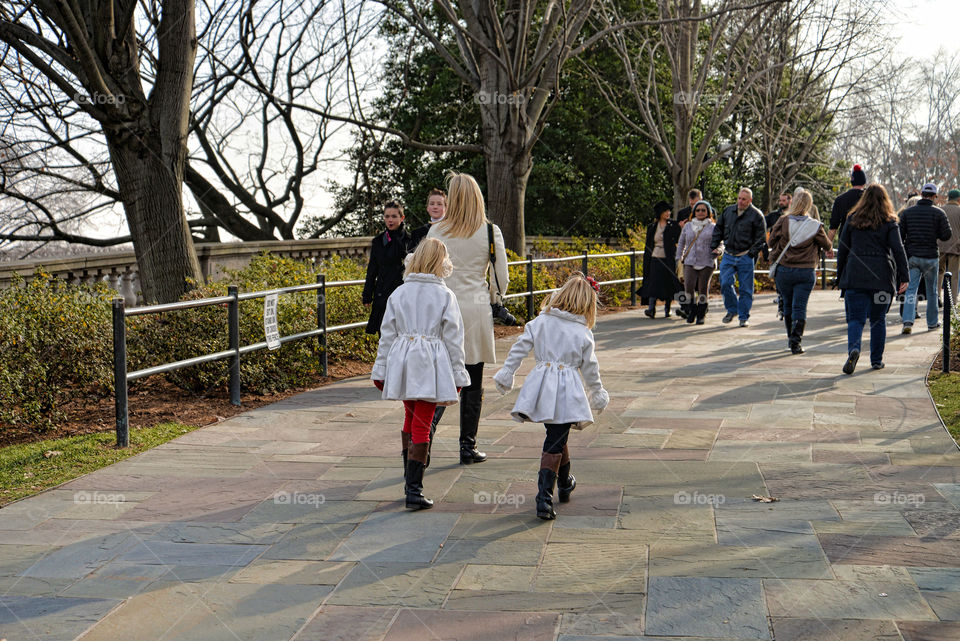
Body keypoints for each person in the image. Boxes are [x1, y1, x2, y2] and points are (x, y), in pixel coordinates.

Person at [493, 273, 609, 520]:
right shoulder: (582, 332)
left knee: (557, 434)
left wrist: (507, 372)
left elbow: (519, 348)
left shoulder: (541, 322)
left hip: (542, 387)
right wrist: (597, 391)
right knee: (556, 438)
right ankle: (544, 498)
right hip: (567, 390)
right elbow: (590, 368)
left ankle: (565, 481)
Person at [371, 238, 472, 509]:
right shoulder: (445, 295)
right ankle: (413, 490)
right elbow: (454, 339)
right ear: (442, 262)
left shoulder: (399, 293)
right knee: (423, 422)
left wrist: (381, 369)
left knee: (411, 416)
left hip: (402, 360)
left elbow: (387, 334)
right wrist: (458, 374)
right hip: (430, 363)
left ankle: (409, 481)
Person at [428, 172, 508, 465]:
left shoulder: (436, 232)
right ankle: (467, 446)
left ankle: (423, 443)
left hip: (442, 309)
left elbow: (426, 270)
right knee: (473, 380)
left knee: (440, 381)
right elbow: (503, 279)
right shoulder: (489, 232)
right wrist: (493, 298)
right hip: (475, 310)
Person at [836, 184, 909, 374]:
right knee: (878, 319)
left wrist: (840, 275)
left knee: (855, 319)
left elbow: (842, 249)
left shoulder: (852, 219)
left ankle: (854, 349)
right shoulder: (890, 221)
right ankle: (876, 360)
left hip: (855, 274)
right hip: (881, 276)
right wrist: (904, 276)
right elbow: (898, 250)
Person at [766, 189, 831, 354]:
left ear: (793, 203)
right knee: (800, 307)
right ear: (809, 205)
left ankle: (790, 338)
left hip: (784, 270)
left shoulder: (782, 220)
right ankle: (796, 343)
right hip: (805, 270)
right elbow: (827, 245)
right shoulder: (815, 225)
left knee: (787, 304)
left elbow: (771, 241)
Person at [899, 183, 953, 334]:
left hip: (913, 256)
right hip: (930, 257)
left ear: (922, 194)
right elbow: (946, 235)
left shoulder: (907, 213)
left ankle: (907, 322)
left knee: (911, 290)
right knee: (932, 292)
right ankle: (932, 323)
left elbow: (900, 236)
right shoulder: (939, 213)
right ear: (934, 196)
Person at [710, 188, 766, 327]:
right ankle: (732, 309)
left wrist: (751, 254)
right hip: (729, 254)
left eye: (744, 199)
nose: (740, 201)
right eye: (739, 198)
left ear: (750, 200)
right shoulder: (729, 211)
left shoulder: (756, 215)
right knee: (724, 283)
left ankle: (743, 317)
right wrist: (714, 244)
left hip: (745, 255)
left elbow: (761, 238)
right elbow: (719, 228)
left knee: (746, 289)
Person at [363, 201, 414, 335]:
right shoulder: (378, 241)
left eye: (394, 216)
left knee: (403, 334)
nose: (390, 220)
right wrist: (367, 294)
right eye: (387, 216)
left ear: (402, 218)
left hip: (404, 294)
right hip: (382, 293)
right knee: (384, 334)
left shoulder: (410, 240)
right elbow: (372, 270)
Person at [675, 200, 718, 325]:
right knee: (688, 288)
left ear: (708, 212)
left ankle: (701, 314)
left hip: (707, 261)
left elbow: (720, 243)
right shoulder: (688, 226)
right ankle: (692, 311)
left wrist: (718, 251)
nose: (700, 212)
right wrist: (679, 258)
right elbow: (681, 243)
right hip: (689, 261)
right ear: (694, 212)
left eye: (703, 210)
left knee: (702, 289)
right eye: (698, 210)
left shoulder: (713, 227)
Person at [639, 201, 682, 318]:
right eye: (665, 211)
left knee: (668, 283)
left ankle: (667, 309)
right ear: (660, 213)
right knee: (653, 282)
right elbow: (648, 244)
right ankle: (651, 308)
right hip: (655, 257)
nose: (668, 213)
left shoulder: (673, 225)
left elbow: (679, 239)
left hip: (669, 258)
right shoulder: (652, 227)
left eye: (669, 211)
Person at [828, 164, 867, 250]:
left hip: (845, 244)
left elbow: (833, 227)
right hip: (867, 244)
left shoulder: (840, 200)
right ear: (864, 182)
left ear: (852, 181)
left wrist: (828, 246)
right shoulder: (871, 199)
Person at [938, 189, 960, 303]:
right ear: (958, 199)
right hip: (955, 248)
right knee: (954, 275)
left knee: (939, 272)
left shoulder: (940, 210)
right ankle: (953, 301)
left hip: (939, 246)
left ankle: (937, 297)